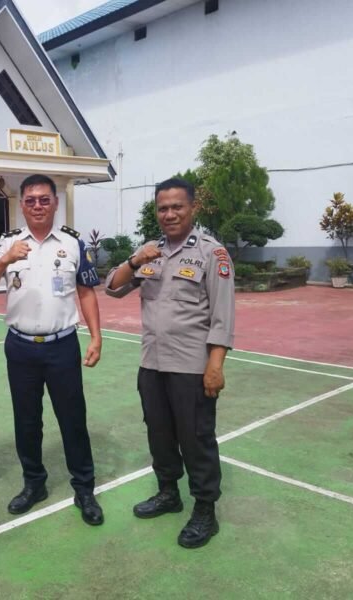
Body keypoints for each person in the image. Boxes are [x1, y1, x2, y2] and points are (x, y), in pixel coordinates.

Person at [105, 177, 235, 548]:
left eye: (177, 206)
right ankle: (168, 493)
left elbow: (223, 316)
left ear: (193, 208)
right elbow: (112, 287)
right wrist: (136, 260)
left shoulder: (212, 254)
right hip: (152, 363)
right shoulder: (150, 252)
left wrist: (215, 365)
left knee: (196, 439)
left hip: (192, 366)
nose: (170, 214)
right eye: (163, 208)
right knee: (159, 433)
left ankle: (205, 509)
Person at [0, 174, 104, 526]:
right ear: (21, 204)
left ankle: (84, 488)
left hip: (62, 346)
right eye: (30, 200)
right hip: (20, 347)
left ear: (55, 203)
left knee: (72, 419)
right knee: (27, 420)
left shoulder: (72, 243)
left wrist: (96, 336)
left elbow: (86, 292)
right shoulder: (7, 243)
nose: (37, 206)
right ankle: (34, 483)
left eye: (44, 199)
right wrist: (5, 260)